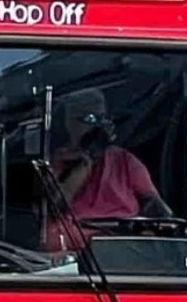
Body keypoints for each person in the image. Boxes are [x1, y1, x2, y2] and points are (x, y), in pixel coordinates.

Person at [50, 87, 170, 225]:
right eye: (90, 119)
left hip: (122, 236)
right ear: (69, 122)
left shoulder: (123, 160)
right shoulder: (53, 162)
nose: (97, 126)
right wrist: (85, 163)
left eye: (101, 119)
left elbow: (154, 204)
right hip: (77, 237)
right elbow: (54, 209)